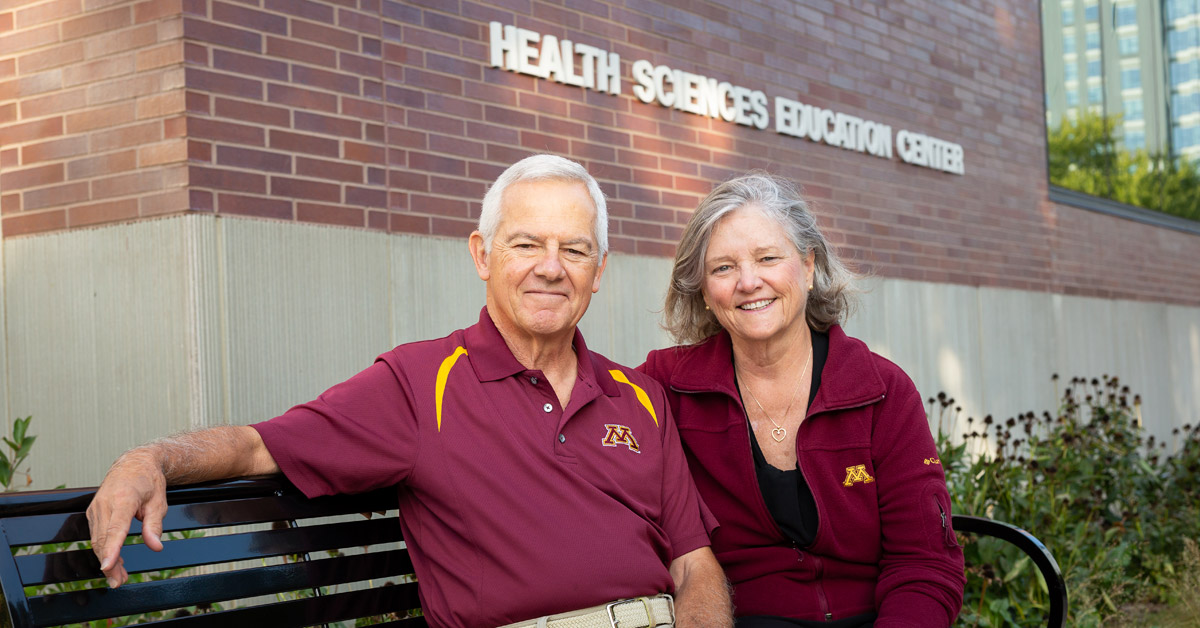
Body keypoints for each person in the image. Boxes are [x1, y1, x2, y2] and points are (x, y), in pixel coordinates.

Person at [86, 155, 733, 628]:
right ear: (482, 255)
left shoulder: (640, 397)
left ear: (599, 274)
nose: (550, 267)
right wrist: (152, 459)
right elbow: (261, 446)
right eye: (526, 244)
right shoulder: (420, 385)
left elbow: (694, 565)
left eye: (574, 249)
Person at [638, 173, 965, 628]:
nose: (749, 281)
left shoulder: (882, 391)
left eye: (768, 258)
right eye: (723, 267)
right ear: (704, 292)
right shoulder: (665, 387)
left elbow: (925, 564)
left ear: (809, 268)